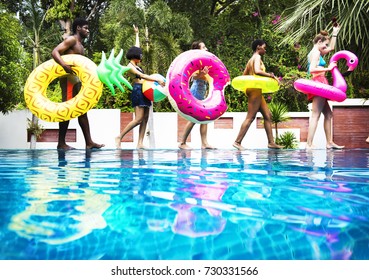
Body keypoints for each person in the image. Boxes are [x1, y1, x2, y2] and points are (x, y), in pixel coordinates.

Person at [51, 18, 104, 150]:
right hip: (68, 79)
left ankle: (89, 142)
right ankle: (61, 143)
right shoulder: (71, 40)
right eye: (85, 28)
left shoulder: (81, 46)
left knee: (82, 109)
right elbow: (54, 52)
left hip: (77, 80)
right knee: (67, 109)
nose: (88, 30)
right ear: (78, 28)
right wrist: (64, 66)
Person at [115, 25, 165, 149]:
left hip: (145, 90)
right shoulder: (130, 66)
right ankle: (119, 137)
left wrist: (137, 34)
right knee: (138, 119)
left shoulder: (136, 63)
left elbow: (136, 48)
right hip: (138, 90)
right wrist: (157, 79)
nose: (141, 57)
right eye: (140, 55)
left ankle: (140, 143)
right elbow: (142, 75)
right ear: (135, 56)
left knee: (145, 118)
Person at [232, 39, 283, 150]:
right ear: (258, 47)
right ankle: (237, 142)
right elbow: (257, 71)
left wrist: (248, 89)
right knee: (250, 117)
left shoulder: (251, 59)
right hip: (254, 90)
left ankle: (271, 142)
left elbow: (244, 75)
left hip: (254, 89)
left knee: (268, 115)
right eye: (264, 47)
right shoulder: (257, 57)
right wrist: (271, 75)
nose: (265, 49)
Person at [305, 26, 343, 149]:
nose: (326, 48)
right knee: (316, 114)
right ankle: (309, 144)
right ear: (319, 42)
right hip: (318, 83)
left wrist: (335, 33)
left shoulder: (318, 51)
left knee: (328, 114)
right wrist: (329, 68)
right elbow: (312, 70)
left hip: (321, 82)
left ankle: (329, 142)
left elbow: (331, 48)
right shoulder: (316, 53)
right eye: (324, 45)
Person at [178, 41, 215, 150]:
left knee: (205, 117)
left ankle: (204, 143)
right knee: (194, 118)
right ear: (198, 50)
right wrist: (202, 74)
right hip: (196, 89)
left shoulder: (204, 62)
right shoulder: (195, 62)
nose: (206, 49)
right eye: (204, 47)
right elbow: (193, 76)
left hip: (202, 89)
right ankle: (182, 142)